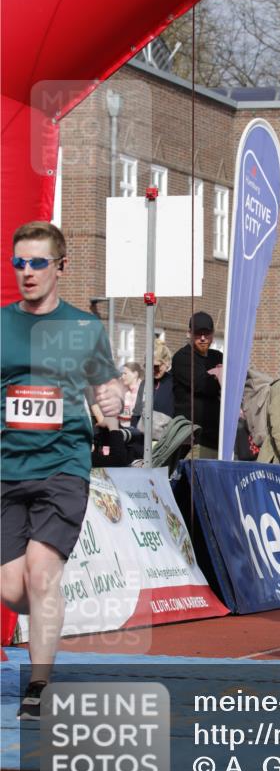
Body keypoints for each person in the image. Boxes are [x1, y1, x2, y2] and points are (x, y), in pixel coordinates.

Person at [1, 222, 124, 719]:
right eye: (19, 263)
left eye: (37, 263)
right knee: (13, 589)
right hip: (8, 468)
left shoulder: (84, 329)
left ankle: (38, 685)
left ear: (60, 267)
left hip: (63, 466)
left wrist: (112, 403)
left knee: (42, 572)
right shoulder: (2, 323)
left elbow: (108, 395)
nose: (27, 273)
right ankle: (51, 610)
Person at [171, 311, 222, 458]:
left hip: (216, 438)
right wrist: (218, 376)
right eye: (198, 334)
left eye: (206, 334)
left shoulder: (217, 356)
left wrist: (215, 375)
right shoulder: (182, 357)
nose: (203, 338)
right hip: (192, 440)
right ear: (189, 334)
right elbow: (204, 385)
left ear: (212, 334)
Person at [131, 340, 174, 425]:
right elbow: (136, 413)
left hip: (167, 435)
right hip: (145, 434)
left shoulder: (174, 383)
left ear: (167, 363)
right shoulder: (145, 383)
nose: (153, 370)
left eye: (156, 366)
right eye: (149, 366)